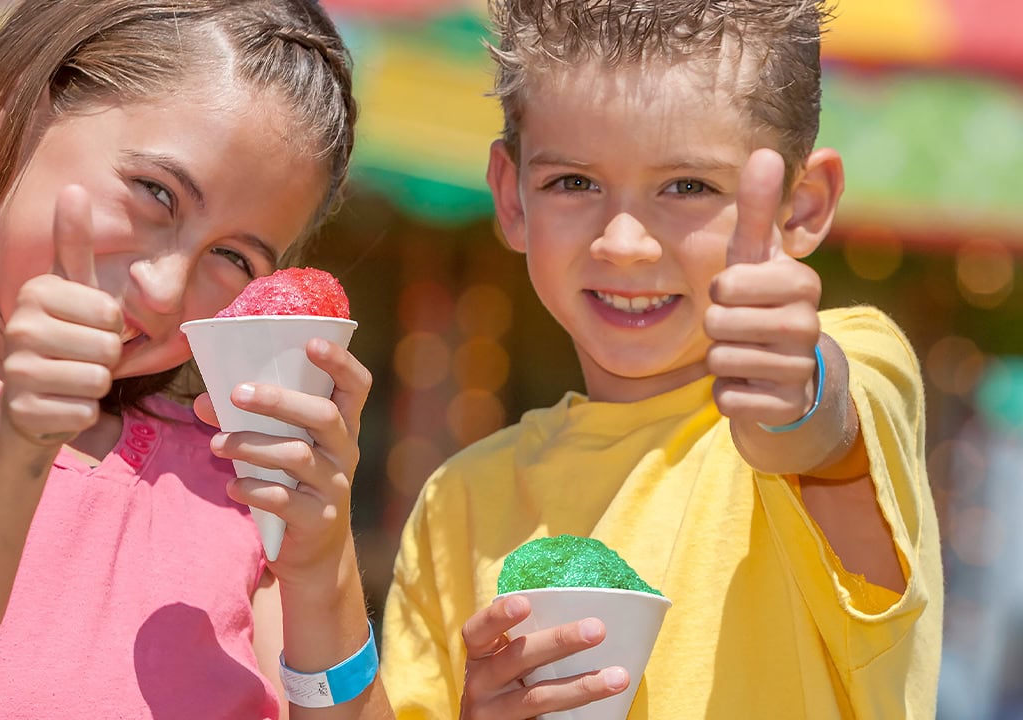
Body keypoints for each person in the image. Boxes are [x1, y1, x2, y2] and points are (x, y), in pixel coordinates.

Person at [0, 1, 392, 718]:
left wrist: (321, 570)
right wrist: (21, 430)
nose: (166, 286)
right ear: (11, 107)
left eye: (234, 258)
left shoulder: (229, 470)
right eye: (156, 192)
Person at [380, 1, 943, 718]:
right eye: (574, 183)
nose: (623, 242)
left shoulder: (850, 361)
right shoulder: (455, 503)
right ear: (511, 195)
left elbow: (822, 430)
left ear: (800, 208)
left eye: (688, 186)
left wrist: (795, 394)